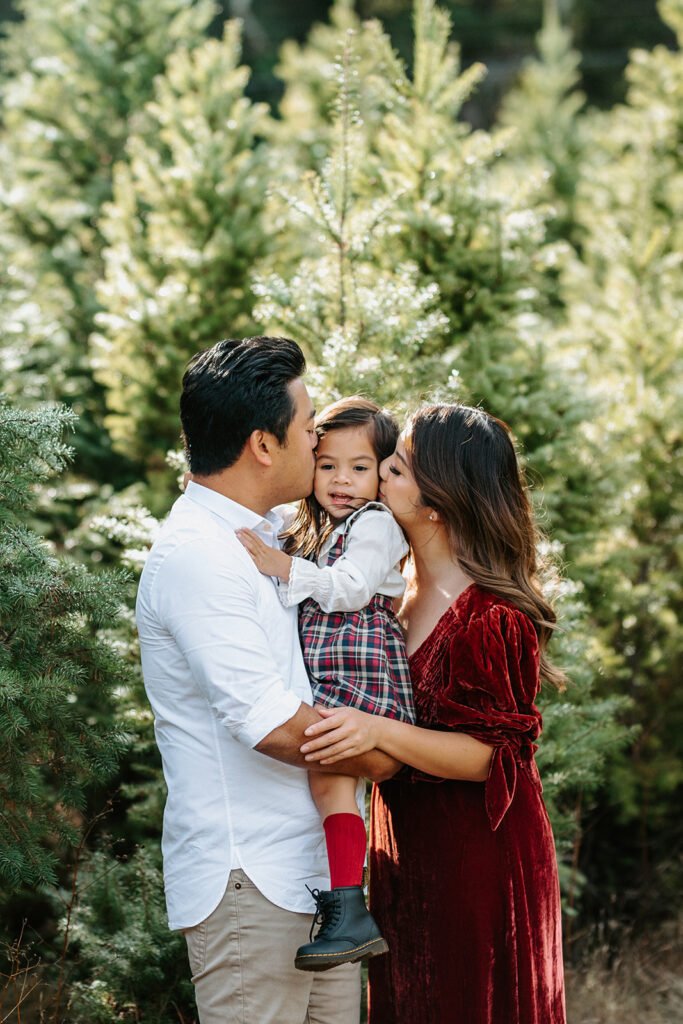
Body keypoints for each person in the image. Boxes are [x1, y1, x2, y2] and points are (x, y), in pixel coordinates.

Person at [135, 337, 397, 1024]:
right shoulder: (199, 556)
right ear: (261, 444)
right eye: (309, 428)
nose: (318, 443)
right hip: (249, 877)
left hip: (319, 883)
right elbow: (275, 726)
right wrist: (399, 753)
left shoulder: (273, 533)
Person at [300, 403, 568, 1023]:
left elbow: (488, 758)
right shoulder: (390, 596)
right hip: (408, 850)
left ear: (439, 502)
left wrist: (373, 729)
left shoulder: (491, 616)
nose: (378, 476)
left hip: (480, 858)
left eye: (396, 467)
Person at [236, 397, 416, 972]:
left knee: (332, 779)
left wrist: (281, 565)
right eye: (328, 464)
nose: (342, 480)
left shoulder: (377, 523)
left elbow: (355, 587)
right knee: (329, 785)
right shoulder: (320, 525)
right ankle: (347, 908)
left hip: (358, 661)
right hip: (333, 663)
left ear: (382, 472)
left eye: (360, 468)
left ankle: (349, 909)